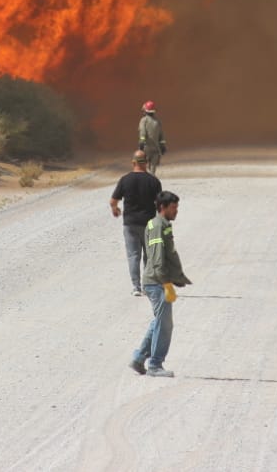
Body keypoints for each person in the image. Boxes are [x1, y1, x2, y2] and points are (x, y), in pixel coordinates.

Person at [130, 190, 192, 378]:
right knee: (165, 325)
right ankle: (155, 365)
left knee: (159, 321)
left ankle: (139, 358)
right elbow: (157, 257)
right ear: (163, 207)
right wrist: (166, 283)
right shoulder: (157, 226)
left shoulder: (162, 225)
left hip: (156, 281)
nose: (176, 211)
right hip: (156, 282)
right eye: (174, 207)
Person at [109, 149, 163, 296]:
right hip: (148, 224)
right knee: (149, 256)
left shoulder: (125, 180)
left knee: (133, 255)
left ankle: (136, 287)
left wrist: (115, 209)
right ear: (146, 163)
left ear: (133, 162)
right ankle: (147, 286)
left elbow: (113, 201)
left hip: (130, 224)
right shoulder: (154, 181)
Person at [137, 101, 167, 174]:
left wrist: (141, 142)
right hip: (156, 148)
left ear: (146, 110)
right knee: (153, 168)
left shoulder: (144, 120)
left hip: (146, 147)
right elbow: (161, 135)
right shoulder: (157, 121)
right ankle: (152, 180)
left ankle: (145, 181)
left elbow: (143, 132)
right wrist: (163, 146)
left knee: (143, 165)